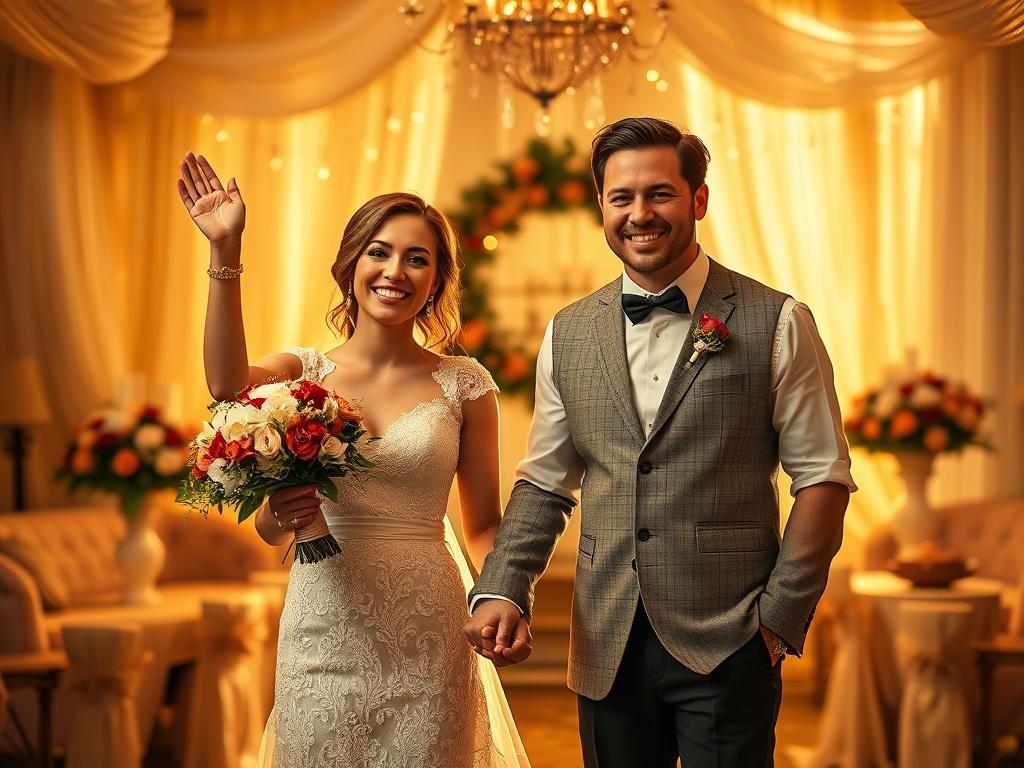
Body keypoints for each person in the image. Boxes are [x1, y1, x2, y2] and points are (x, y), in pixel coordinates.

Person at [464, 117, 857, 767]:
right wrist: (503, 586)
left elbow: (823, 478)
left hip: (732, 637)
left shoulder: (779, 320)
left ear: (698, 199)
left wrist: (778, 619)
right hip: (606, 639)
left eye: (660, 194)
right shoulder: (568, 331)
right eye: (621, 197)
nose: (639, 214)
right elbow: (545, 482)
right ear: (602, 206)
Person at [176, 152, 529, 768]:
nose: (395, 271)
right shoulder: (302, 373)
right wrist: (224, 248)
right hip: (323, 627)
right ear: (351, 265)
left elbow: (482, 526)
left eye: (417, 258)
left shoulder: (467, 385)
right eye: (380, 252)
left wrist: (505, 596)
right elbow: (225, 384)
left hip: (429, 629)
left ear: (437, 280)